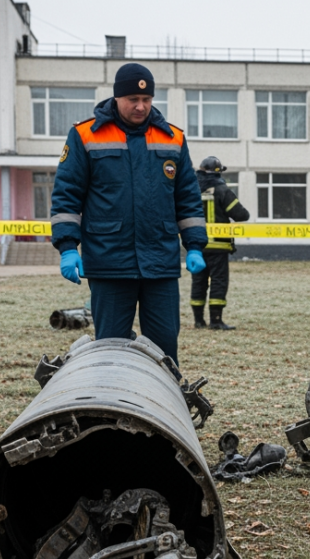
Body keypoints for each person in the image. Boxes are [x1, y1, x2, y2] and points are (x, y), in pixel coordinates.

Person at [50, 62, 208, 364]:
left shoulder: (172, 138)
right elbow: (67, 195)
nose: (140, 106)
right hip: (109, 262)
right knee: (110, 349)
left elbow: (187, 197)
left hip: (159, 262)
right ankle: (110, 408)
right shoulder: (85, 136)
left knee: (164, 351)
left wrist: (195, 246)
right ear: (117, 98)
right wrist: (68, 248)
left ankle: (164, 406)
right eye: (133, 100)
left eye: (147, 100)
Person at [191, 156, 250, 330]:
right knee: (218, 281)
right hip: (218, 246)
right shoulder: (222, 190)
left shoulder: (191, 190)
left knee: (198, 281)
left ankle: (198, 320)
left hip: (197, 246)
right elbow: (241, 215)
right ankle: (216, 320)